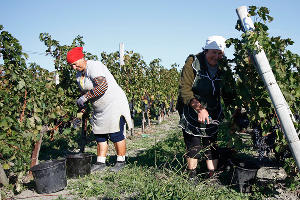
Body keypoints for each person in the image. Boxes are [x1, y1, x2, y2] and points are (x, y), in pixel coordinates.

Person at [177, 35, 236, 180]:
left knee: (211, 142)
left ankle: (212, 175)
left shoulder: (223, 66)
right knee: (194, 143)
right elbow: (185, 89)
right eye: (213, 52)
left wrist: (235, 111)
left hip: (213, 107)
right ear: (206, 51)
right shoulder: (193, 63)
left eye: (220, 53)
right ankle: (192, 175)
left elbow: (228, 92)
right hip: (192, 107)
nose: (216, 56)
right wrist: (199, 108)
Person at [67, 47, 133, 172]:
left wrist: (85, 97)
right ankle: (100, 162)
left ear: (81, 59)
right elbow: (83, 96)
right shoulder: (79, 76)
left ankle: (121, 160)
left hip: (113, 103)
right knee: (100, 134)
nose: (73, 68)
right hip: (99, 107)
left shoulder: (94, 66)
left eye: (74, 64)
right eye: (71, 65)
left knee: (115, 133)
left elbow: (102, 86)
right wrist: (80, 113)